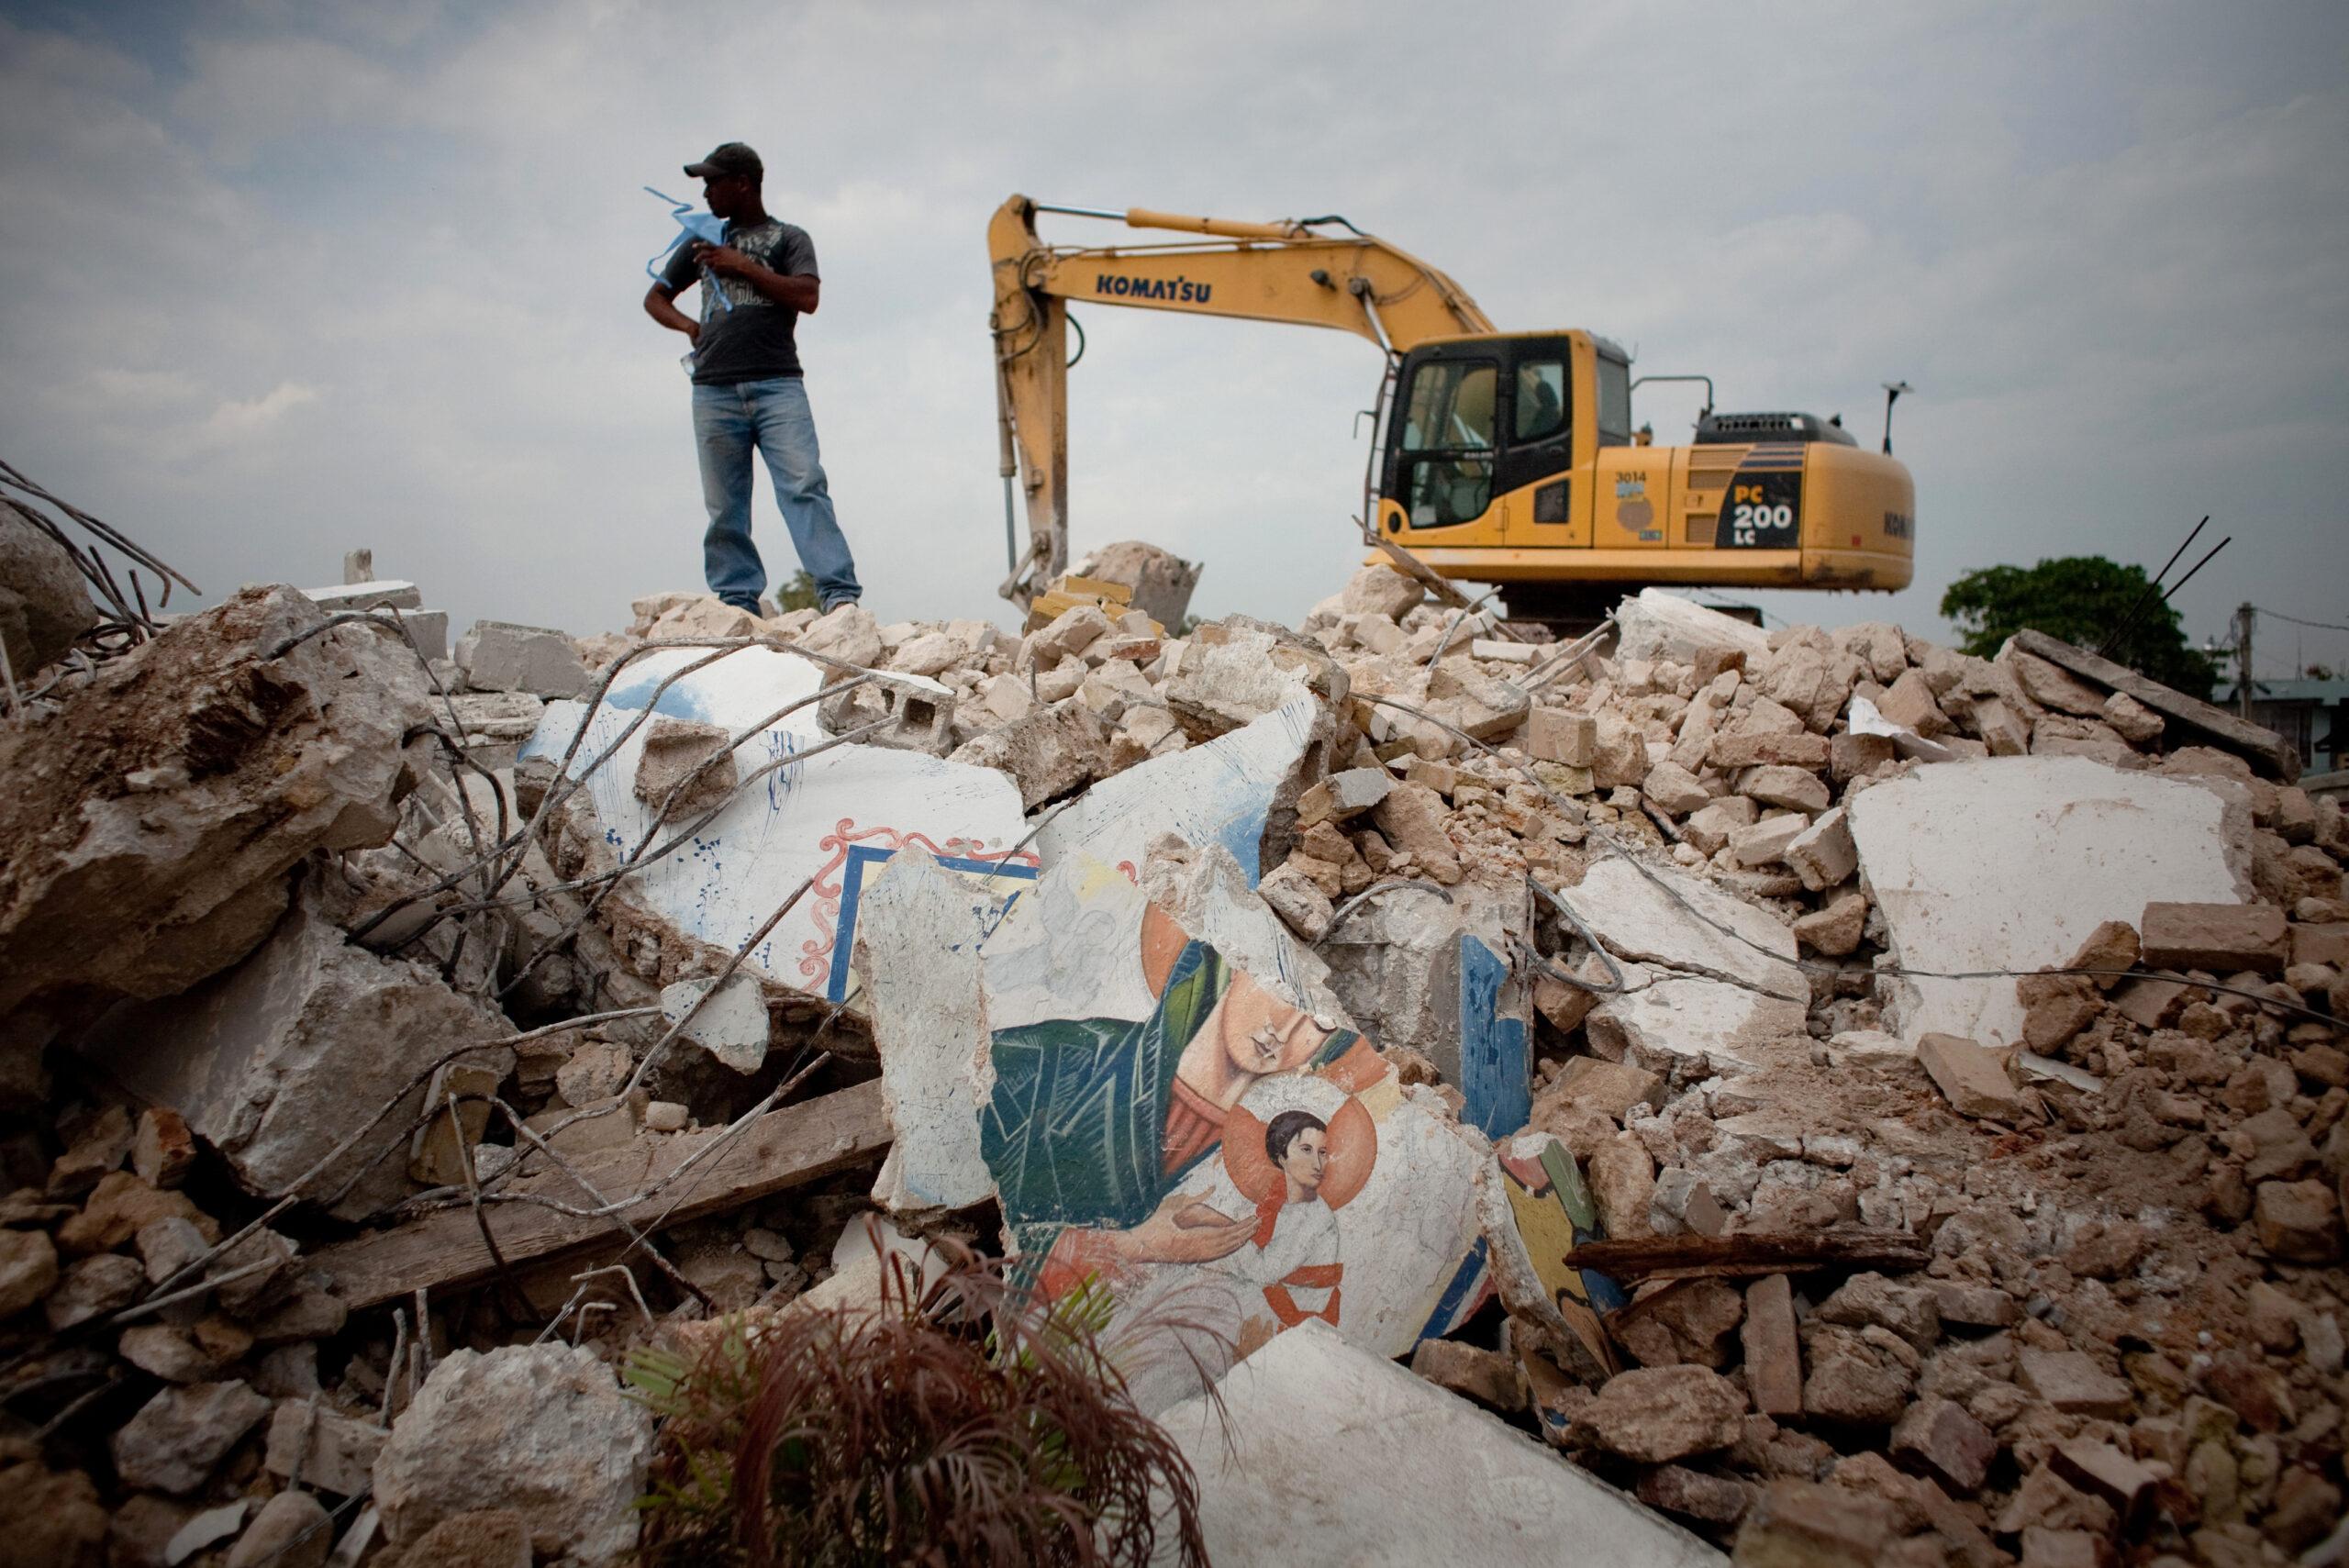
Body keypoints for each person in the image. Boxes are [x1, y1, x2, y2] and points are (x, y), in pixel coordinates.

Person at [641, 141, 862, 615]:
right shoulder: (702, 242)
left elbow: (807, 296)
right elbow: (655, 297)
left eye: (713, 182)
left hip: (778, 384)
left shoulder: (789, 238)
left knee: (803, 485)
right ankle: (738, 601)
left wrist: (741, 265)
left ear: (743, 184)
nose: (705, 193)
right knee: (725, 505)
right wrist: (690, 328)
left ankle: (838, 594)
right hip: (714, 387)